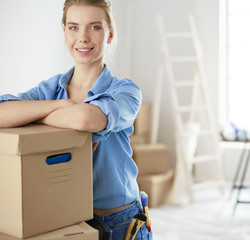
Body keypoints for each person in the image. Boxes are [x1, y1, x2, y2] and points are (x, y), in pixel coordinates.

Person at [0, 0, 153, 239]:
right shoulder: (51, 90)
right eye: (73, 27)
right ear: (64, 32)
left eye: (94, 27)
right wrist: (59, 105)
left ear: (110, 34)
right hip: (66, 218)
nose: (82, 37)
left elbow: (85, 119)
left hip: (118, 221)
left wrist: (34, 116)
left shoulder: (125, 91)